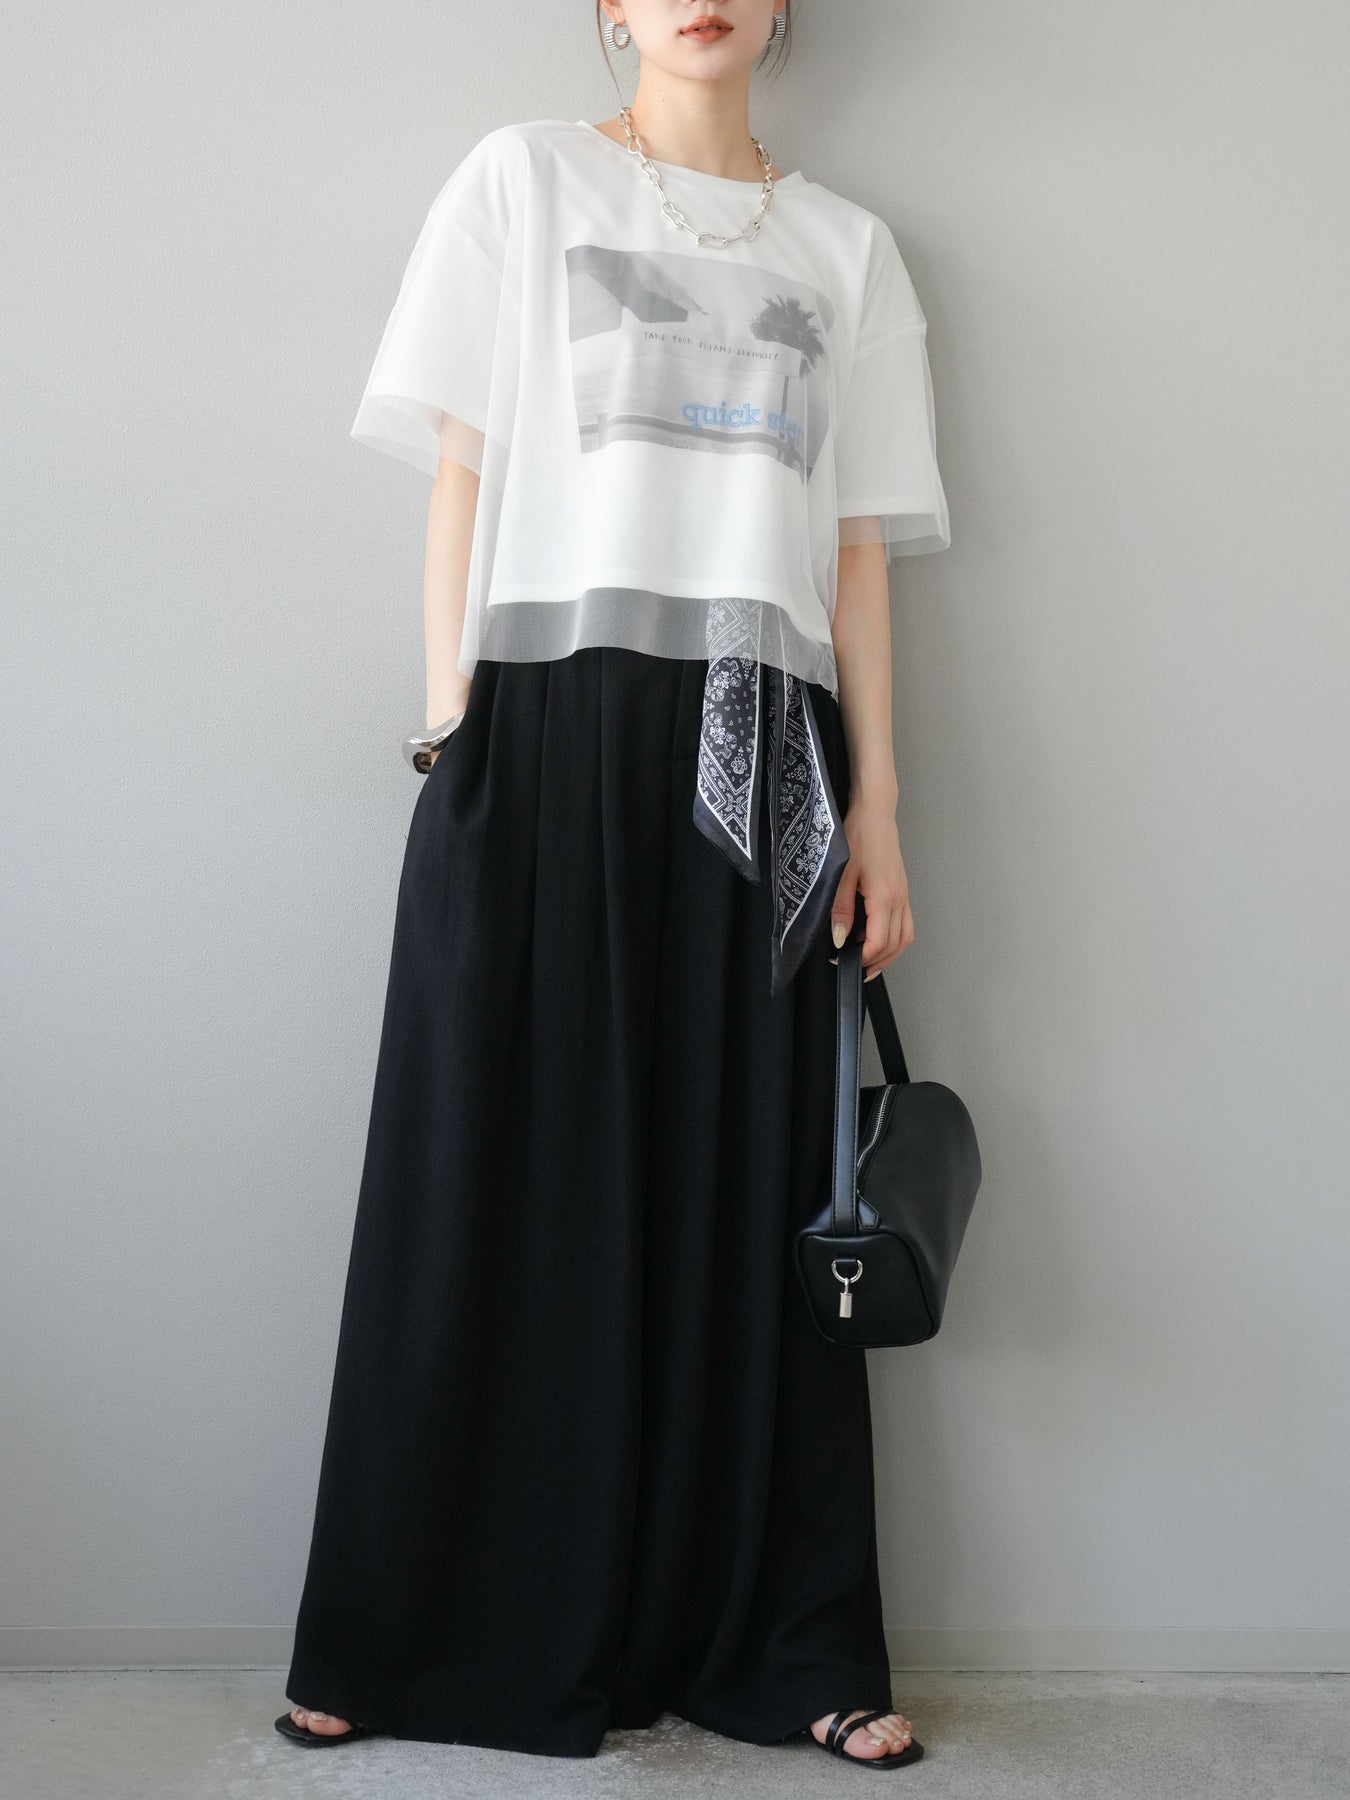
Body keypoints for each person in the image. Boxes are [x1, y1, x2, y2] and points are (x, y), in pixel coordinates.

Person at [275, 0, 949, 1772]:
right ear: (609, 9)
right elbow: (465, 464)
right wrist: (450, 721)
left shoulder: (847, 248)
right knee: (484, 1165)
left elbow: (857, 552)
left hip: (767, 743)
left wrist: (880, 810)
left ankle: (789, 1651)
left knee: (756, 1186)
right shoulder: (524, 180)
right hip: (545, 713)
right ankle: (402, 1637)